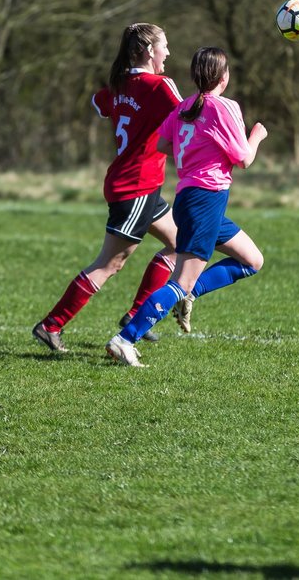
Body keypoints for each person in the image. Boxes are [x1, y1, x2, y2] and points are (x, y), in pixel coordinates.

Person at [106, 46, 267, 368]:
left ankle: (190, 294)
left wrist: (199, 147)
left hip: (191, 199)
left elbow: (163, 144)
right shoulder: (225, 107)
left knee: (252, 260)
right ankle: (125, 339)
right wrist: (257, 136)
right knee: (180, 281)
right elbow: (245, 158)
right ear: (224, 76)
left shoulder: (185, 106)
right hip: (205, 200)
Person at [31, 23, 183, 353]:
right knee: (109, 264)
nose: (168, 53)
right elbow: (188, 113)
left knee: (179, 243)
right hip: (136, 187)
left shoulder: (119, 84)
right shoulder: (159, 86)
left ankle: (135, 317)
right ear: (147, 51)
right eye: (164, 46)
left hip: (137, 184)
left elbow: (98, 103)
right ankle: (50, 325)